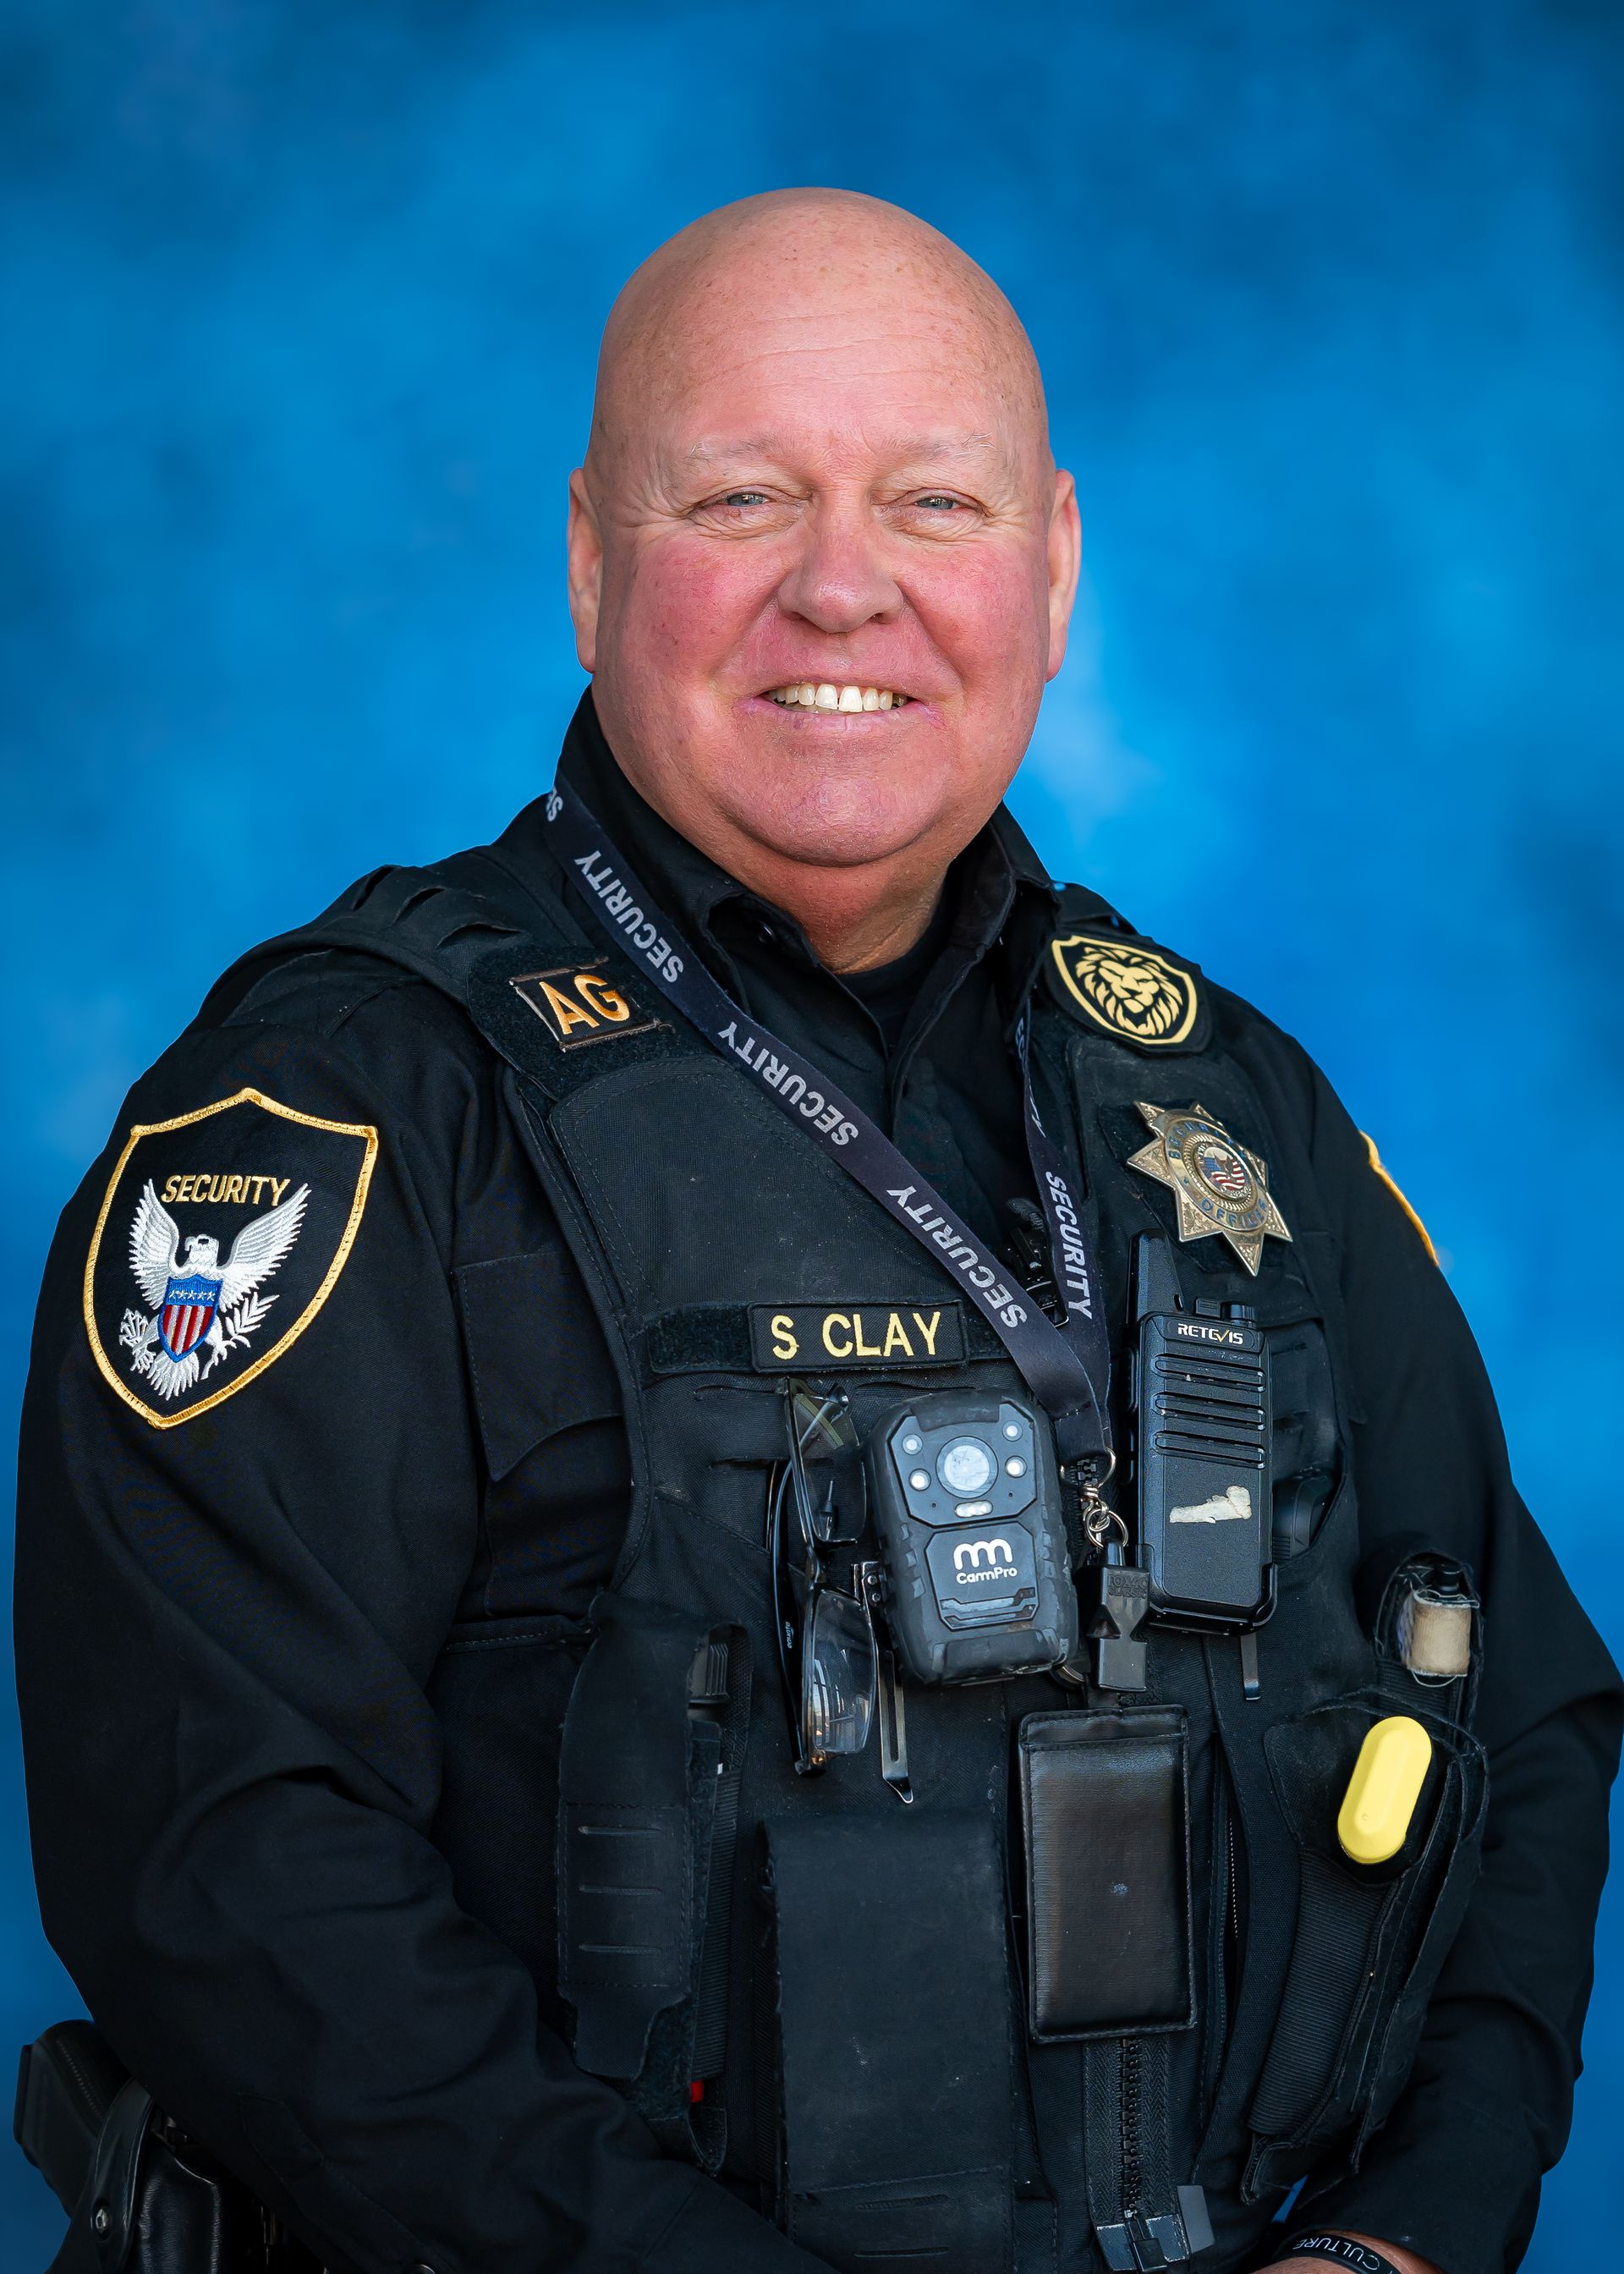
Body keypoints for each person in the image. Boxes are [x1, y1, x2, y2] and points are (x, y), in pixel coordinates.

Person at [14, 189, 1619, 2274]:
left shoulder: (1227, 1106)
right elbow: (222, 1879)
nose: (843, 590)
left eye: (933, 506)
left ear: (1050, 573)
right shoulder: (337, 1117)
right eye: (744, 498)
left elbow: (1526, 1718)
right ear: (594, 563)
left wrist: (1405, 2237)